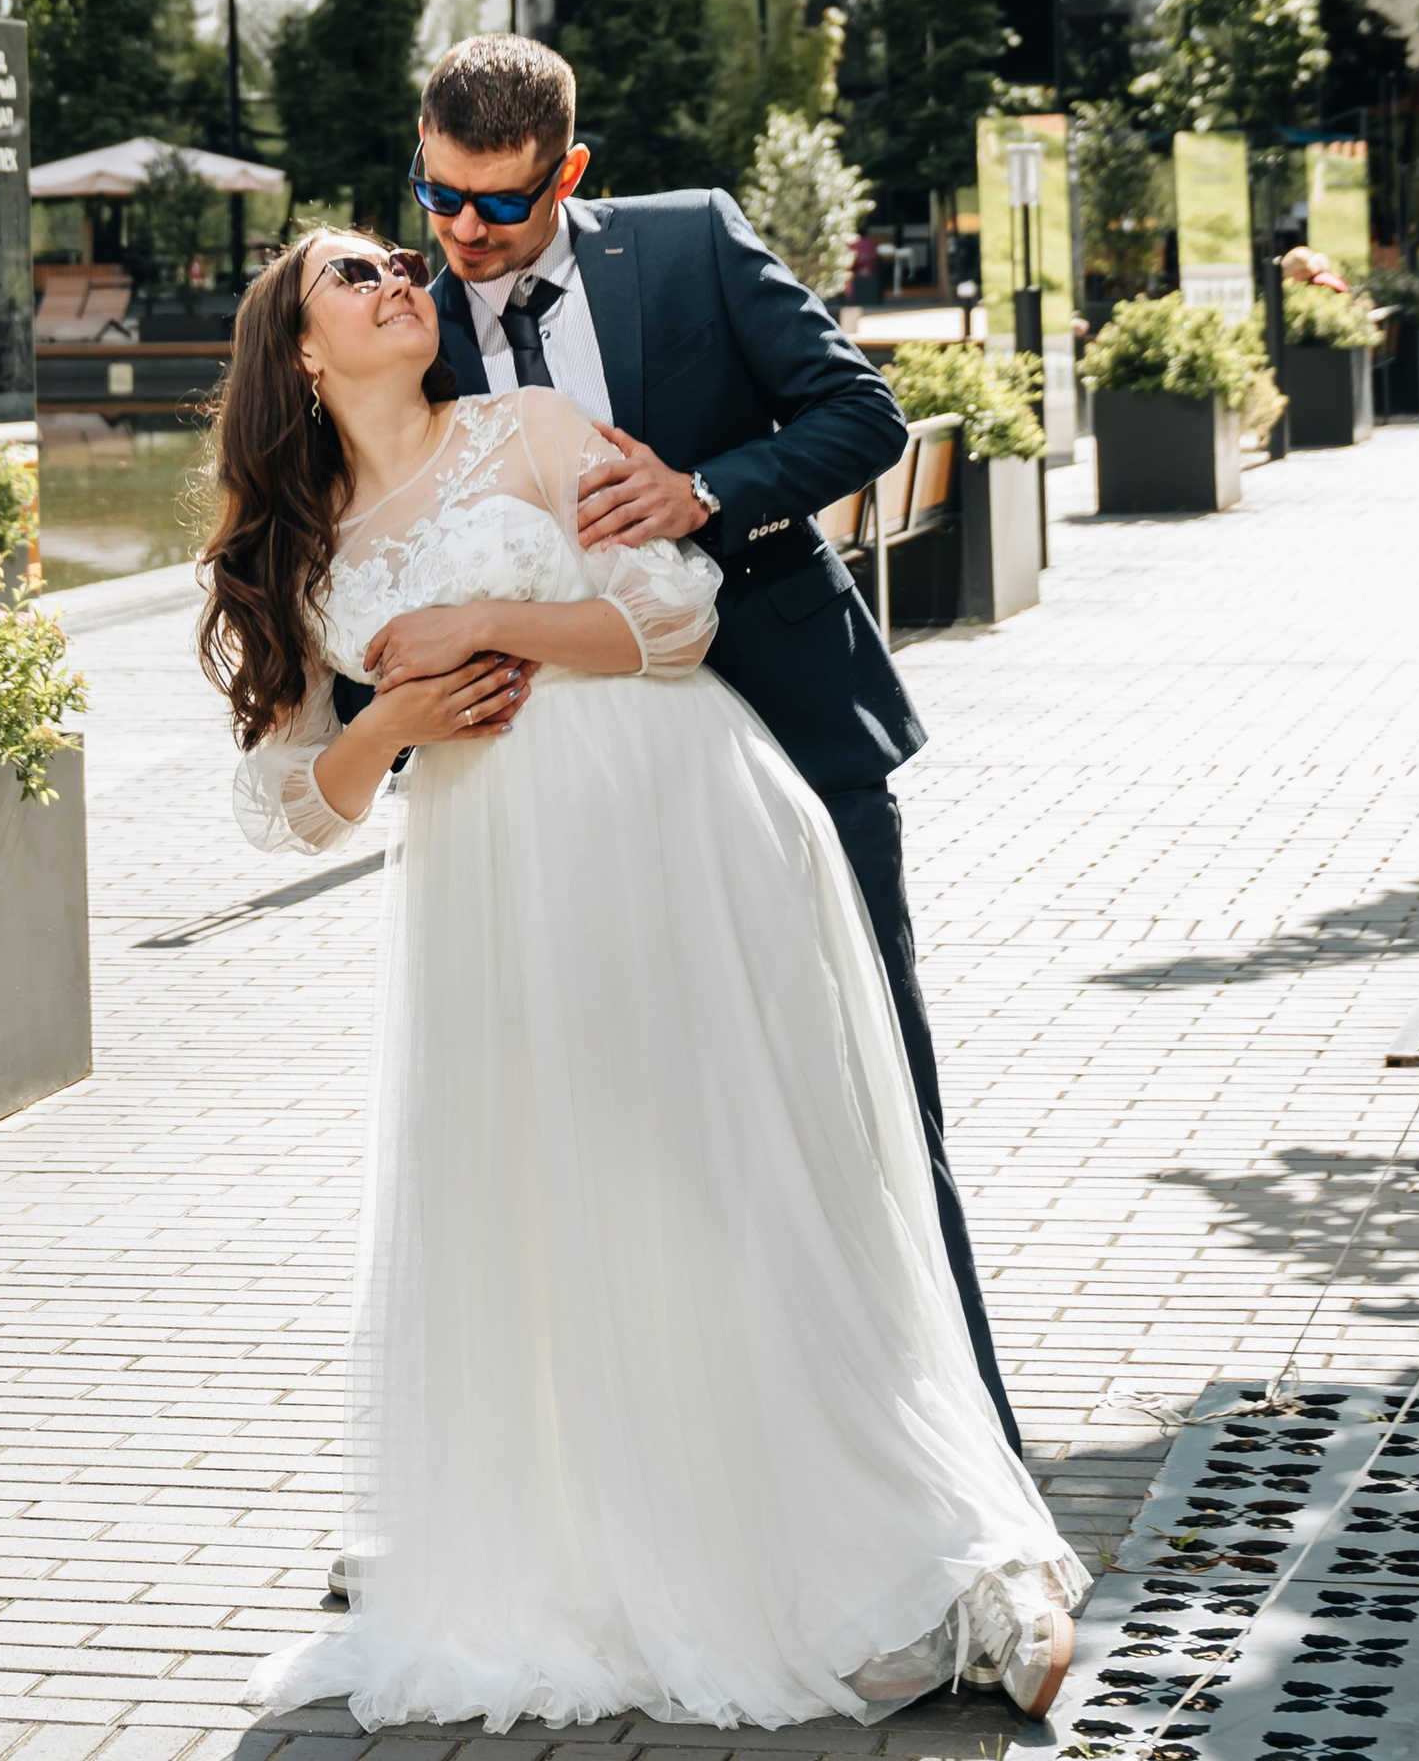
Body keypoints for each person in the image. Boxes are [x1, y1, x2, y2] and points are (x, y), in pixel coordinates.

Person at [201, 230, 1084, 1731]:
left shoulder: (529, 429)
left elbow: (674, 620)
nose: (402, 279)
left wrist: (484, 621)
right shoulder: (291, 543)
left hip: (684, 827)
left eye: (404, 264)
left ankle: (895, 1541)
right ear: (296, 348)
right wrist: (389, 721)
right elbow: (287, 800)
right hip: (499, 891)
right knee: (575, 1201)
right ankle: (620, 1535)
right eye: (356, 275)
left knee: (735, 1175)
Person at [397, 29, 1024, 1455]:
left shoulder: (685, 248)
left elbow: (859, 413)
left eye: (501, 204)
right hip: (581, 793)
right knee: (621, 1120)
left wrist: (705, 491)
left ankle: (976, 1443)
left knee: (878, 1083)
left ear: (568, 172)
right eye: (440, 196)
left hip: (791, 728)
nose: (466, 234)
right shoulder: (413, 326)